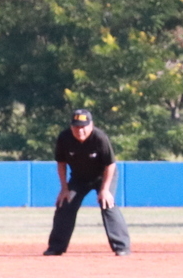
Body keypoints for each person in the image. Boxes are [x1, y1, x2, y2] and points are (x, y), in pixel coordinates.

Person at [44, 109, 130, 256]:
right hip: (79, 177)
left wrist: (105, 190)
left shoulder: (99, 137)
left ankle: (121, 247)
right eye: (76, 126)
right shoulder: (64, 137)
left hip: (103, 176)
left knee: (107, 204)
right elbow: (61, 163)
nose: (80, 130)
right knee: (65, 204)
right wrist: (64, 189)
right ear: (71, 126)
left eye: (83, 126)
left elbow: (110, 165)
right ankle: (56, 247)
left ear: (91, 125)